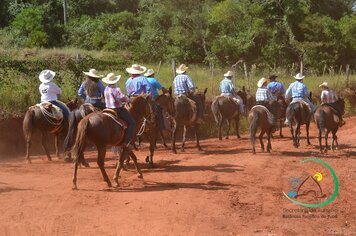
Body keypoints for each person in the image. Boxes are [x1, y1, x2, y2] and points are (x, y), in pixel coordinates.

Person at [102, 72, 135, 150]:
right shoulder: (116, 89)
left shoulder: (106, 89)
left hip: (107, 109)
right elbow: (122, 98)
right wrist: (129, 100)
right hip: (117, 109)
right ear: (115, 81)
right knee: (132, 123)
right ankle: (126, 142)